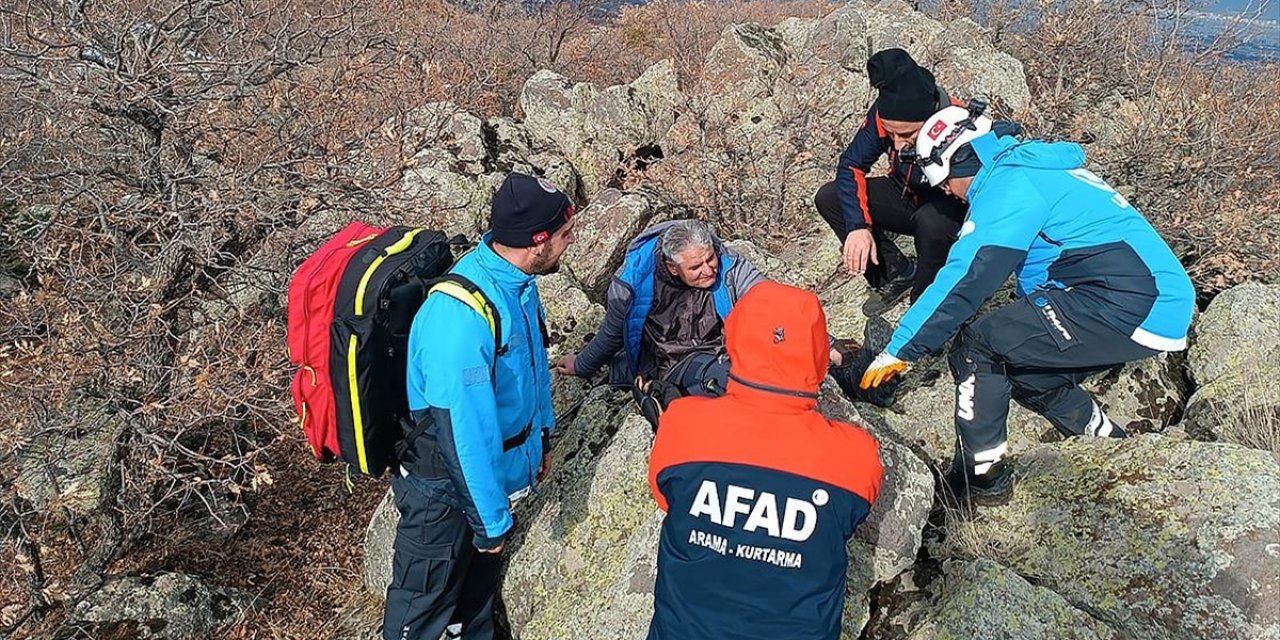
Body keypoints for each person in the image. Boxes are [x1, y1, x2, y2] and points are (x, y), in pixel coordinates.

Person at [859, 105, 1195, 505]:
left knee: (977, 347)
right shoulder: (1027, 166)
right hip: (1145, 298)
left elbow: (967, 279)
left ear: (960, 161)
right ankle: (1105, 441)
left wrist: (901, 350)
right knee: (1027, 369)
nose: (946, 191)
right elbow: (1051, 259)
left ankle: (981, 479)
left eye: (945, 181)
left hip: (1129, 302)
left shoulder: (1010, 188)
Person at [384, 172, 574, 640]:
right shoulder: (459, 316)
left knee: (474, 613)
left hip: (484, 484)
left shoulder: (517, 285)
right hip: (443, 493)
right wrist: (490, 521)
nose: (572, 243)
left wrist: (543, 438)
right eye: (566, 235)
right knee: (423, 616)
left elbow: (531, 369)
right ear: (538, 241)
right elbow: (461, 430)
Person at [646, 281, 883, 640]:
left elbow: (668, 499)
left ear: (733, 342)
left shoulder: (680, 424)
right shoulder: (858, 455)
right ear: (820, 357)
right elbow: (843, 525)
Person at [552, 219, 859, 427]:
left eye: (710, 259)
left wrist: (827, 346)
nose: (709, 270)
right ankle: (671, 404)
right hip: (672, 361)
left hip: (726, 349)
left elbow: (773, 304)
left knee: (773, 363)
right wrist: (581, 364)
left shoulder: (728, 266)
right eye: (696, 266)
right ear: (672, 267)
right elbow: (612, 335)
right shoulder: (632, 284)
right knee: (733, 383)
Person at [814, 48, 1018, 313]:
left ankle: (925, 302)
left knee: (932, 222)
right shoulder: (885, 114)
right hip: (905, 193)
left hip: (948, 206)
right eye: (891, 135)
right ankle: (895, 274)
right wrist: (858, 226)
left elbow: (991, 191)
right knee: (830, 198)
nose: (897, 145)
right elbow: (852, 164)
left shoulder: (961, 123)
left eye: (907, 134)